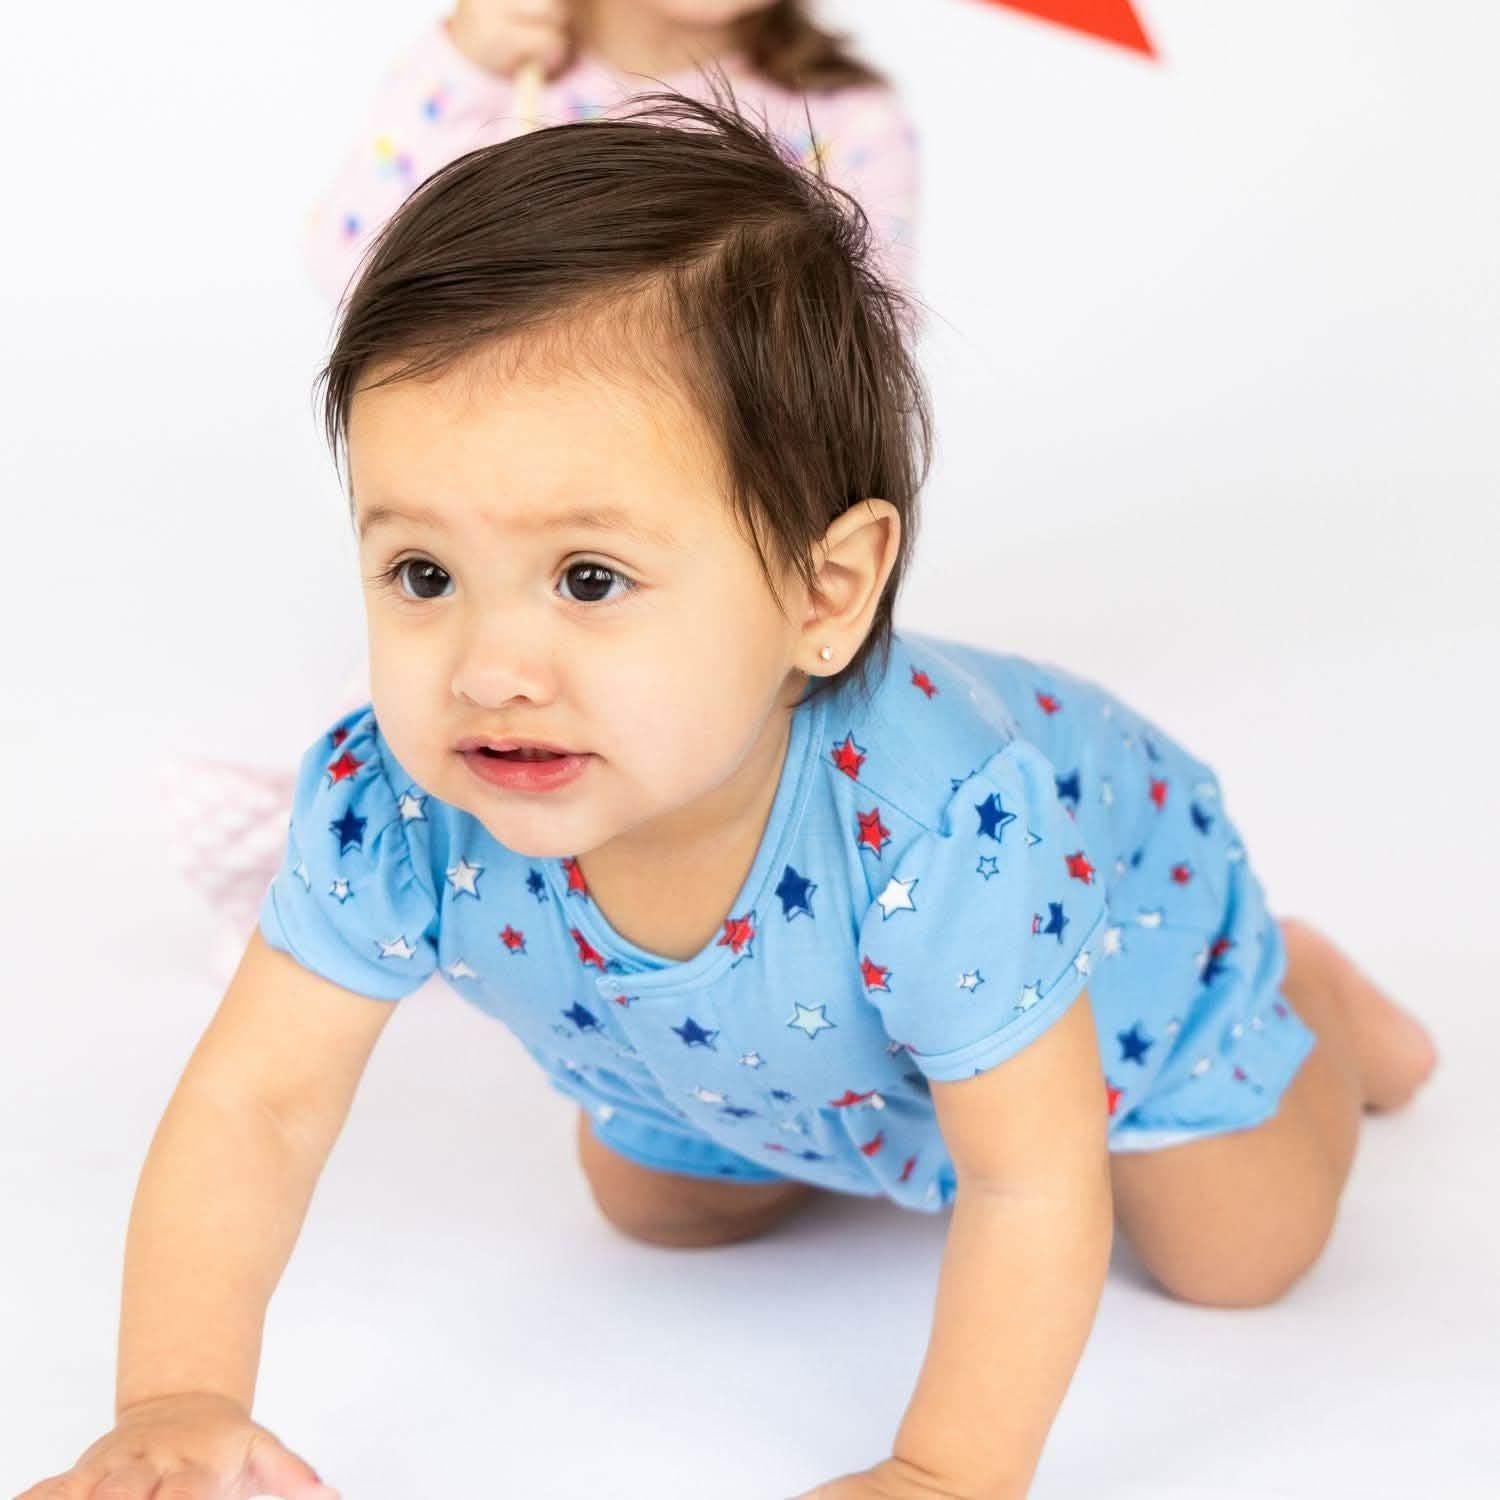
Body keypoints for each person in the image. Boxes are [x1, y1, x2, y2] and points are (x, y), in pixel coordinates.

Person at [26, 97, 1436, 1500]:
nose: (488, 669)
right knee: (656, 1205)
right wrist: (176, 1399)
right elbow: (259, 1101)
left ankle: (1307, 991)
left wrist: (944, 1473)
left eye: (589, 580)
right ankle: (829, 1113)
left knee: (1240, 1255)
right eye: (423, 574)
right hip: (767, 1052)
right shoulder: (393, 798)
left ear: (822, 595)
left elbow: (1031, 1181)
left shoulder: (948, 828)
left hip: (1117, 955)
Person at [171, 0, 918, 957]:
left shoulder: (843, 113)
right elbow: (355, 267)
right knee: (451, 702)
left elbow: (863, 344)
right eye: (418, 575)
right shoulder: (497, 73)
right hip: (500, 480)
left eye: (590, 580)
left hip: (702, 484)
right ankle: (390, 892)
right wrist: (460, 69)